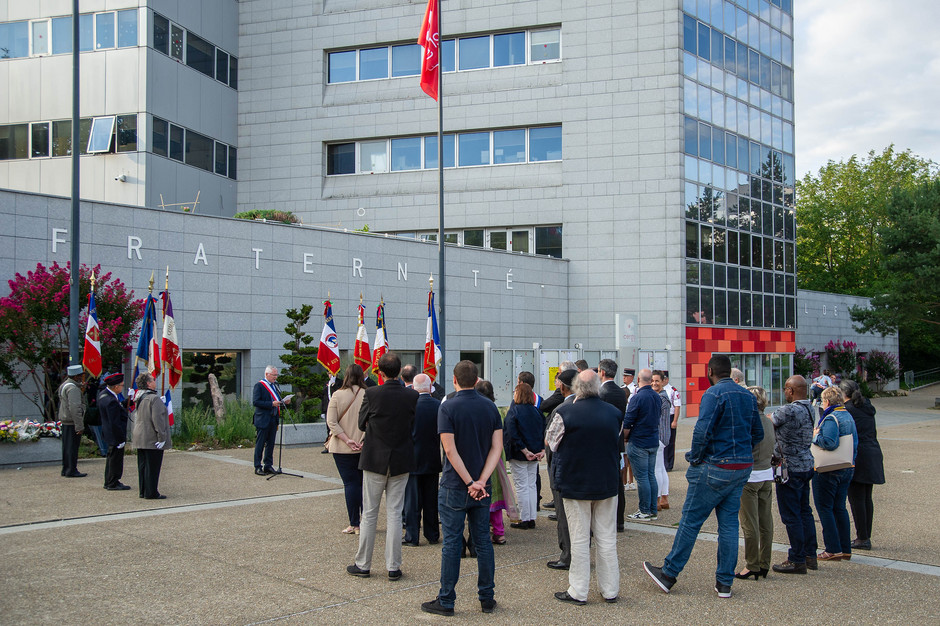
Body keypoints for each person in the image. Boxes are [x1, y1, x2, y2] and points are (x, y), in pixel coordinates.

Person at [643, 355, 763, 599]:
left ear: (710, 372)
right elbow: (757, 433)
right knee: (729, 525)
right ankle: (724, 583)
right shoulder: (748, 397)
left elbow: (702, 431)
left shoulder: (713, 394)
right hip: (740, 468)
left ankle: (669, 573)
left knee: (691, 520)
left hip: (714, 466)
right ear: (730, 372)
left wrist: (696, 458)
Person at [421, 360, 503, 616]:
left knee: (452, 543)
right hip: (482, 486)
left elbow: (449, 450)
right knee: (483, 542)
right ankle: (487, 598)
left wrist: (469, 481)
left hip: (456, 485)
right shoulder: (491, 407)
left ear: (454, 380)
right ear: (477, 381)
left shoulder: (448, 407)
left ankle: (446, 600)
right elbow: (496, 448)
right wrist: (481, 480)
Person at [546, 369, 623, 605]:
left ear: (576, 387)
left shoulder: (564, 413)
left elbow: (551, 442)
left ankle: (578, 591)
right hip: (607, 482)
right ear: (598, 387)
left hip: (575, 482)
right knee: (607, 538)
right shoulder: (614, 413)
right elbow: (616, 439)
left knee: (579, 539)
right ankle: (610, 590)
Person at [347, 352, 418, 580]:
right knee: (395, 513)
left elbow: (361, 422)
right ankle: (393, 566)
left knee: (369, 513)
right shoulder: (411, 396)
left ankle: (363, 564)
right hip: (400, 459)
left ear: (379, 372)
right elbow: (412, 424)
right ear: (399, 372)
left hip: (375, 458)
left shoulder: (372, 393)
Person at [770, 375, 818, 574]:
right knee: (805, 511)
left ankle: (796, 558)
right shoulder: (810, 408)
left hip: (789, 468)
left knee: (791, 515)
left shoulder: (788, 410)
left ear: (791, 390)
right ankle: (810, 555)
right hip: (806, 464)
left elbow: (768, 422)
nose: (784, 392)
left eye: (785, 389)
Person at [812, 386, 859, 562]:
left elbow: (830, 443)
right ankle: (845, 548)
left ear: (827, 401)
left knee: (825, 508)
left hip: (829, 469)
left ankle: (832, 549)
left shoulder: (831, 418)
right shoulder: (847, 415)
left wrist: (815, 436)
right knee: (839, 507)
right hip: (847, 466)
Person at [736, 386, 775, 580]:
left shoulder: (748, 423)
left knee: (749, 523)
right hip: (766, 473)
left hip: (750, 476)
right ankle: (764, 562)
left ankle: (752, 564)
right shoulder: (768, 422)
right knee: (765, 521)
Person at [840, 379, 884, 551]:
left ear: (844, 393)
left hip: (858, 455)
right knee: (866, 497)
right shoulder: (867, 406)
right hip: (872, 453)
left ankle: (862, 538)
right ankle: (865, 535)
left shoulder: (848, 410)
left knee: (856, 498)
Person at [473, 379, 516, 547]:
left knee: (483, 495)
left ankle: (484, 532)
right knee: (495, 494)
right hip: (497, 456)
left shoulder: (477, 409)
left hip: (482, 454)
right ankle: (499, 533)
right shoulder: (496, 410)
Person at [326, 363, 367, 535]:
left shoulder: (337, 395)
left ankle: (354, 523)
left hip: (342, 447)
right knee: (363, 484)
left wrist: (347, 439)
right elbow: (373, 420)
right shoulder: (368, 394)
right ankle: (366, 522)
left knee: (350, 484)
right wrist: (362, 439)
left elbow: (331, 421)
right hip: (364, 446)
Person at [403, 373, 442, 546]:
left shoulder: (408, 405)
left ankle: (412, 536)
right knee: (431, 500)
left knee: (412, 501)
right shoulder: (439, 405)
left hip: (412, 458)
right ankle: (432, 534)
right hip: (432, 458)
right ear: (430, 386)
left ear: (413, 388)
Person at [545, 368, 576, 571]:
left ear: (562, 387)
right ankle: (579, 552)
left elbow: (550, 442)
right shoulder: (602, 407)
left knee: (565, 516)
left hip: (564, 471)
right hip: (588, 472)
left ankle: (567, 555)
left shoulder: (562, 410)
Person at [504, 382, 545, 530]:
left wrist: (523, 450)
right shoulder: (537, 412)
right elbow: (543, 431)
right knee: (531, 485)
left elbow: (511, 433)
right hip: (535, 453)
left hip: (519, 454)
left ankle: (524, 517)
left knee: (521, 486)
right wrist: (541, 449)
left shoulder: (514, 411)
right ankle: (531, 516)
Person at [622, 369, 660, 520]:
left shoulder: (637, 398)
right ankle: (652, 510)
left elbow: (628, 421)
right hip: (652, 440)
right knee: (651, 475)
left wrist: (625, 438)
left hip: (639, 442)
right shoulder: (656, 396)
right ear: (651, 380)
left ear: (638, 379)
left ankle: (644, 510)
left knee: (642, 477)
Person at [597, 359, 627, 531]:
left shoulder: (603, 392)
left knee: (605, 482)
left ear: (602, 372)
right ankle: (619, 520)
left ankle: (608, 521)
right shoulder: (620, 392)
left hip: (604, 442)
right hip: (617, 441)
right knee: (617, 482)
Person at [132, 372, 171, 500]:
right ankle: (151, 492)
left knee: (143, 465)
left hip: (140, 435)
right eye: (153, 380)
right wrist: (162, 437)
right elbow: (158, 420)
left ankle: (143, 490)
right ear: (148, 383)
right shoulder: (154, 398)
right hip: (151, 436)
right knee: (153, 466)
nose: (155, 381)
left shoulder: (139, 396)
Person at [252, 366, 291, 476]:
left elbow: (277, 400)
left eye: (276, 375)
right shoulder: (259, 385)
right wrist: (270, 404)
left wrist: (283, 402)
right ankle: (257, 466)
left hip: (273, 418)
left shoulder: (275, 386)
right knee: (260, 444)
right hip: (263, 418)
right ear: (267, 374)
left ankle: (268, 465)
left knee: (271, 443)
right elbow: (256, 402)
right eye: (274, 375)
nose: (275, 377)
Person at [98, 373, 131, 491]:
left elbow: (118, 408)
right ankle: (113, 482)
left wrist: (128, 401)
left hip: (109, 433)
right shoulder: (111, 400)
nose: (122, 387)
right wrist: (120, 438)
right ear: (116, 387)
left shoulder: (104, 395)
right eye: (122, 385)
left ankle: (109, 480)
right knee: (115, 460)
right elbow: (115, 422)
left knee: (111, 458)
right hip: (115, 434)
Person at [57, 364, 87, 478]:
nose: (81, 378)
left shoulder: (66, 385)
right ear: (75, 377)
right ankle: (71, 470)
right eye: (80, 376)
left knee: (67, 447)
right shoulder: (73, 389)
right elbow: (75, 408)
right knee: (72, 447)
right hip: (71, 421)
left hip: (66, 420)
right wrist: (79, 426)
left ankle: (66, 469)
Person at [650, 371, 672, 512]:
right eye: (652, 381)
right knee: (662, 468)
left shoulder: (661, 398)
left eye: (657, 381)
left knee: (657, 469)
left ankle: (657, 500)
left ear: (663, 381)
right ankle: (664, 498)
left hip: (659, 436)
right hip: (663, 436)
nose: (654, 383)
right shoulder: (663, 396)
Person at [662, 370, 682, 472]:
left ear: (666, 379)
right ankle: (662, 463)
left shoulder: (672, 390)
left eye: (663, 379)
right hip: (661, 418)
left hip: (670, 417)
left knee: (670, 442)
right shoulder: (657, 389)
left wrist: (675, 421)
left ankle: (669, 464)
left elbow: (677, 407)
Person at [621, 367, 637, 491]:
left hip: (630, 425)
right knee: (625, 458)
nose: (624, 378)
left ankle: (631, 481)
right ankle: (626, 481)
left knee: (629, 458)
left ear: (632, 377)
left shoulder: (635, 390)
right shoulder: (622, 388)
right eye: (623, 376)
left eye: (626, 376)